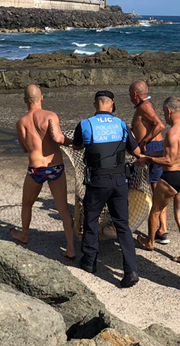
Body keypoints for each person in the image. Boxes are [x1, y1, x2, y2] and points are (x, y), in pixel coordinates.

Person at [50, 90, 143, 288]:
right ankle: (130, 270)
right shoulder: (121, 125)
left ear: (95, 105)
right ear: (112, 104)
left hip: (97, 180)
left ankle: (90, 261)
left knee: (91, 219)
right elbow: (135, 151)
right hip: (119, 181)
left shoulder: (85, 125)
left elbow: (77, 147)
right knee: (122, 224)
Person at [10, 84, 76, 258]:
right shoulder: (50, 116)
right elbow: (58, 138)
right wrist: (73, 143)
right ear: (42, 98)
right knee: (63, 209)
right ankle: (70, 248)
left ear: (25, 100)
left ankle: (24, 233)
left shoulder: (21, 122)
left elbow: (26, 148)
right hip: (54, 166)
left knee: (27, 203)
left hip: (36, 168)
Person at [135, 96, 180, 265]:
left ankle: (150, 242)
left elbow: (169, 160)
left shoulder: (172, 132)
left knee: (155, 210)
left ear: (169, 112)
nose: (165, 117)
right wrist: (149, 155)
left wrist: (149, 160)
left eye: (164, 113)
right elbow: (173, 152)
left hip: (171, 178)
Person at [129, 81, 170, 244]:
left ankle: (161, 230)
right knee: (153, 189)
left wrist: (143, 141)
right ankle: (162, 229)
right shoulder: (145, 105)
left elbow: (160, 125)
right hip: (153, 147)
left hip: (153, 147)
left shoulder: (145, 106)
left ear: (135, 94)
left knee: (157, 190)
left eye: (129, 94)